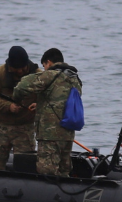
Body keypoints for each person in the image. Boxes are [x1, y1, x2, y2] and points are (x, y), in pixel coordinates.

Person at [12, 48, 82, 177]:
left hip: (50, 134)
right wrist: (40, 105)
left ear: (48, 62)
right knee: (64, 171)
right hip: (67, 134)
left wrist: (16, 98)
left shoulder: (50, 75)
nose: (44, 68)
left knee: (47, 171)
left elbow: (22, 86)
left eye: (44, 66)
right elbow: (63, 101)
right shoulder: (75, 78)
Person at [0, 46, 38, 169]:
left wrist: (38, 105)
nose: (19, 72)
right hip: (2, 126)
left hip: (25, 128)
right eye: (16, 69)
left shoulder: (38, 76)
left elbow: (48, 98)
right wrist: (8, 106)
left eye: (22, 68)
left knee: (25, 168)